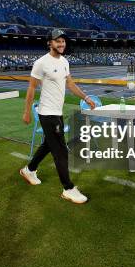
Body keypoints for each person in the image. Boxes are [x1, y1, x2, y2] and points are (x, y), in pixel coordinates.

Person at [20, 29, 96, 204]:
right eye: (57, 41)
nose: (61, 44)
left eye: (63, 41)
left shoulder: (64, 61)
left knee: (48, 144)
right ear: (49, 43)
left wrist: (86, 97)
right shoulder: (41, 63)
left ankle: (29, 170)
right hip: (47, 113)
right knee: (61, 151)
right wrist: (26, 112)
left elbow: (69, 83)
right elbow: (31, 88)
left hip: (57, 112)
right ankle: (68, 188)